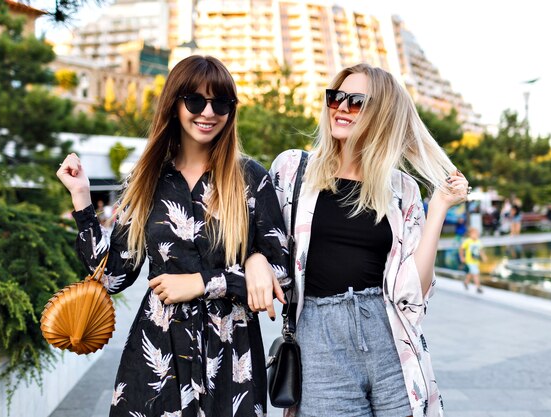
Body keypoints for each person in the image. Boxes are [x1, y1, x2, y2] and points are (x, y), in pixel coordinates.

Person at [56, 55, 289, 417]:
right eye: (196, 100)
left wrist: (204, 282)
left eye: (221, 103)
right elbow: (114, 275)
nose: (208, 112)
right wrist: (82, 200)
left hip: (231, 357)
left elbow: (284, 272)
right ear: (175, 104)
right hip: (156, 356)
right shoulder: (148, 179)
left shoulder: (251, 179)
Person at [246, 63, 469, 417]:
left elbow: (413, 293)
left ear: (381, 114)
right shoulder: (293, 171)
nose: (341, 108)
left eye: (356, 102)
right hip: (319, 338)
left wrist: (439, 206)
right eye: (336, 98)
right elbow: (254, 231)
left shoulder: (401, 189)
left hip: (389, 335)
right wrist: (255, 257)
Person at [459, 227, 486, 293]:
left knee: (471, 273)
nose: (475, 235)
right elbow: (461, 249)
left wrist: (483, 256)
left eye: (476, 234)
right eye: (473, 234)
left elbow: (481, 250)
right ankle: (478, 287)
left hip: (476, 261)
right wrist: (462, 257)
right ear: (470, 234)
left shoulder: (478, 242)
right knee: (475, 274)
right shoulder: (467, 241)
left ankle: (465, 282)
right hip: (469, 260)